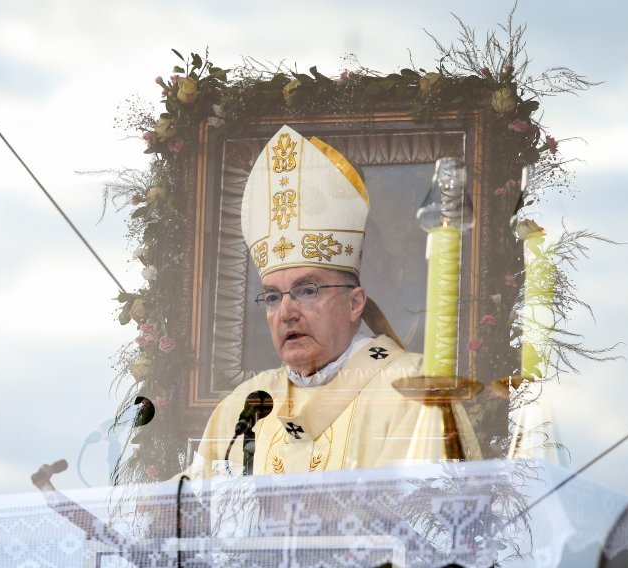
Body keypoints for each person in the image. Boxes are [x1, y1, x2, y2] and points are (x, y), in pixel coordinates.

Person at [184, 125, 480, 479]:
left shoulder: (410, 389)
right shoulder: (246, 404)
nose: (286, 313)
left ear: (356, 303)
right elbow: (189, 506)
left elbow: (432, 512)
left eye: (307, 290)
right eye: (273, 297)